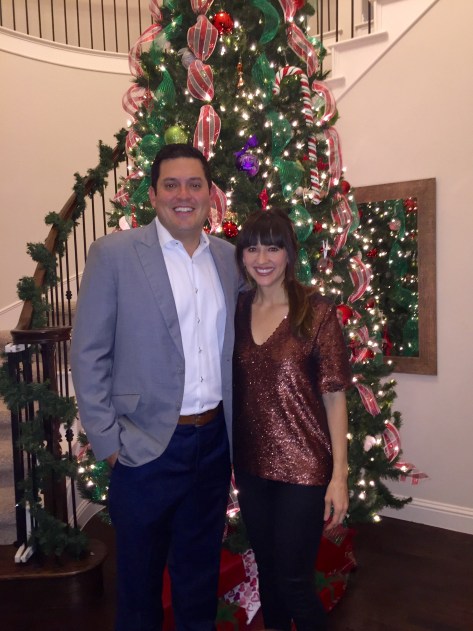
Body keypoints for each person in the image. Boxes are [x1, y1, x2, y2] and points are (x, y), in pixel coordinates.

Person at [70, 144, 240, 631]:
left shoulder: (229, 258)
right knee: (139, 589)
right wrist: (108, 443)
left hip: (213, 444)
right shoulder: (114, 254)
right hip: (142, 448)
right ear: (152, 195)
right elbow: (89, 352)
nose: (183, 195)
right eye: (171, 184)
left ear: (209, 194)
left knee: (198, 579)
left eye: (194, 184)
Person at [232, 209, 352, 631]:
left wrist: (339, 476)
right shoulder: (237, 309)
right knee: (268, 572)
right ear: (242, 256)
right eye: (252, 249)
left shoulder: (316, 312)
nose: (262, 259)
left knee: (295, 580)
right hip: (251, 466)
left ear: (289, 253)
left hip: (304, 468)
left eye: (273, 248)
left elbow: (334, 397)